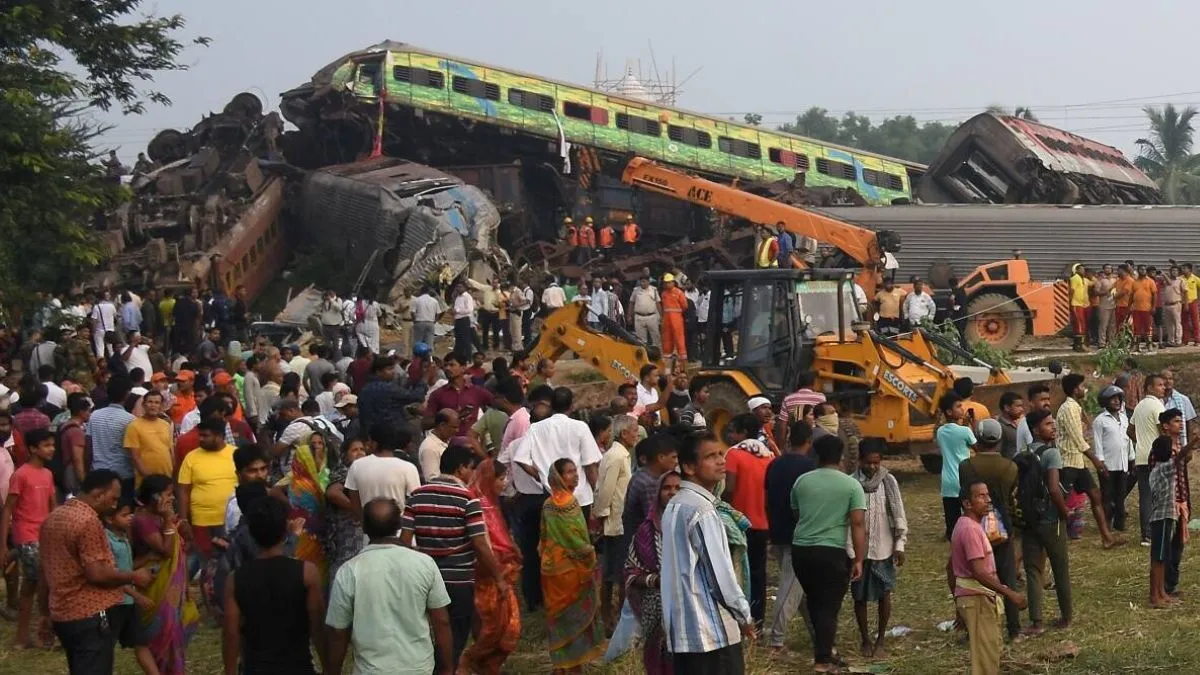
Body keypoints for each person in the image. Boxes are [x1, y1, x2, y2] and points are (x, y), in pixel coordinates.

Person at [40, 469, 153, 674]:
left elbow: (45, 570)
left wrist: (45, 612)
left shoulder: (54, 517)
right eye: (113, 498)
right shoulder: (88, 521)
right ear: (98, 494)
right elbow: (97, 574)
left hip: (62, 614)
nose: (114, 505)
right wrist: (134, 576)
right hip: (88, 614)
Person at [402, 445, 505, 669]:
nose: (472, 474)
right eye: (470, 469)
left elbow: (405, 539)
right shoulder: (468, 499)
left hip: (424, 577)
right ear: (460, 469)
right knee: (455, 635)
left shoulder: (417, 496)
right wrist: (499, 577)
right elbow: (479, 542)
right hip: (458, 579)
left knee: (425, 633)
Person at [661, 431, 754, 673]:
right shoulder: (701, 510)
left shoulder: (676, 503)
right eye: (711, 456)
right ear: (689, 467)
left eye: (721, 454)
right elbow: (719, 575)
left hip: (684, 628)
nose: (721, 460)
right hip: (710, 631)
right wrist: (743, 614)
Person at [328, 497, 453, 673]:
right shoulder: (424, 564)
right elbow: (441, 621)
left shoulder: (349, 571)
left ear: (364, 527)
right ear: (398, 525)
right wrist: (447, 668)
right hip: (418, 669)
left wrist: (331, 671)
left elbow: (338, 633)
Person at [222, 496, 326, 675]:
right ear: (286, 528)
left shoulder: (235, 579)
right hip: (299, 667)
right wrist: (330, 667)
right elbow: (318, 629)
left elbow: (231, 635)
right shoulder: (307, 573)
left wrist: (230, 671)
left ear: (252, 533)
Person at [789, 435, 866, 672]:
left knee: (814, 601)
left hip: (801, 550)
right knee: (829, 607)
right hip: (831, 551)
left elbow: (796, 514)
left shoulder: (802, 482)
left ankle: (825, 650)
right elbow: (857, 524)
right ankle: (822, 660)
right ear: (841, 457)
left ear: (816, 455)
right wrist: (859, 559)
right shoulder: (851, 485)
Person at [949, 481, 1028, 675]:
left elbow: (949, 567)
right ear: (967, 503)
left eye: (987, 494)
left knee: (990, 652)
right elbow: (978, 572)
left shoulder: (965, 525)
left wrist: (958, 601)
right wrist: (1011, 594)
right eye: (981, 496)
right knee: (986, 661)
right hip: (977, 599)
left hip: (972, 597)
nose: (988, 499)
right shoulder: (971, 530)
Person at [539, 458, 607, 673]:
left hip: (551, 570)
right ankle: (573, 666)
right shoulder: (569, 503)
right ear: (558, 477)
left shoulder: (548, 504)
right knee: (574, 618)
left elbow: (543, 537)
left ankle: (561, 666)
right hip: (571, 571)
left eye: (575, 471)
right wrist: (589, 553)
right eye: (569, 472)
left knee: (558, 618)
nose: (575, 475)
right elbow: (577, 541)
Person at [958, 418, 1022, 641]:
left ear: (978, 438)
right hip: (1002, 526)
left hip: (974, 525)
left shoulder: (966, 466)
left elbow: (964, 492)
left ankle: (973, 629)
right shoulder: (1010, 467)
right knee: (1007, 575)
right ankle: (1014, 630)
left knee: (976, 576)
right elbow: (1012, 496)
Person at [130, 474, 199, 674]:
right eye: (168, 495)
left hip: (172, 587)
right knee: (160, 632)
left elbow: (181, 549)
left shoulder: (159, 517)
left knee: (174, 630)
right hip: (154, 585)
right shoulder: (143, 521)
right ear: (155, 497)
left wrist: (185, 586)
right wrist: (169, 520)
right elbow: (167, 550)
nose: (172, 499)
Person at [459, 459, 522, 674]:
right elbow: (484, 543)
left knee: (507, 626)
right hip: (488, 575)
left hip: (500, 572)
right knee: (494, 627)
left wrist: (511, 548)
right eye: (501, 478)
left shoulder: (491, 502)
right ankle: (470, 661)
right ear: (489, 479)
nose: (504, 483)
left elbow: (501, 535)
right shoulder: (478, 504)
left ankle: (486, 665)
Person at [1017, 408, 1072, 633]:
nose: (1053, 427)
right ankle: (1066, 617)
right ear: (1036, 429)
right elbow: (1053, 488)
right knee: (1060, 568)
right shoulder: (1051, 454)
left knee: (1033, 569)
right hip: (1050, 519)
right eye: (1048, 424)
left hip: (1029, 519)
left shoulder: (1022, 453)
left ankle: (1036, 621)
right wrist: (1064, 512)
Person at [850, 440, 907, 658]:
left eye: (876, 462)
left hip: (884, 548)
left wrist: (900, 545)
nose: (873, 467)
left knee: (885, 594)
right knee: (859, 597)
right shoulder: (851, 483)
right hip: (859, 551)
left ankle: (881, 640)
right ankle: (865, 639)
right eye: (868, 463)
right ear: (860, 461)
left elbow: (899, 514)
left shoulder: (888, 482)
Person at [0, 427, 56, 648]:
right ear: (33, 448)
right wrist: (3, 544)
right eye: (46, 445)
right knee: (42, 583)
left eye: (52, 444)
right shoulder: (21, 474)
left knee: (31, 586)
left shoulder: (48, 474)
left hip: (44, 535)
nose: (51, 449)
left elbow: (53, 507)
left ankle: (23, 637)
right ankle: (42, 633)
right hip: (27, 535)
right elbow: (8, 510)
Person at [765, 420, 816, 651]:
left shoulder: (775, 464)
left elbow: (767, 500)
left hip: (778, 530)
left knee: (801, 588)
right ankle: (776, 641)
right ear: (809, 441)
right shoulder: (809, 467)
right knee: (789, 588)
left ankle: (818, 634)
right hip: (799, 535)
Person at [625, 470, 682, 675]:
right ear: (658, 492)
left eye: (678, 488)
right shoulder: (646, 530)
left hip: (687, 605)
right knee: (657, 659)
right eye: (667, 488)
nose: (672, 492)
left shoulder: (693, 525)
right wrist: (656, 580)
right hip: (655, 605)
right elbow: (632, 570)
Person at [1055, 373, 1119, 547]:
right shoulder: (1068, 408)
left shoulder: (1075, 407)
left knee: (1095, 495)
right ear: (1075, 389)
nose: (1085, 389)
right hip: (1068, 460)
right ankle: (1052, 537)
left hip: (1077, 462)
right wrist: (1097, 461)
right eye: (1082, 387)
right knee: (1057, 502)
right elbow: (1078, 440)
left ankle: (1107, 538)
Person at [722, 413, 773, 630]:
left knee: (736, 573)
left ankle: (738, 621)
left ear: (742, 433)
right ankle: (758, 621)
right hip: (762, 523)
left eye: (733, 430)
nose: (730, 435)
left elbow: (730, 488)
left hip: (738, 523)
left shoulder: (733, 454)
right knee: (758, 573)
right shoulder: (768, 455)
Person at [513, 387, 602, 509]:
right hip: (580, 498)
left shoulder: (536, 428)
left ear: (551, 405)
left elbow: (520, 458)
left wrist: (540, 476)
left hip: (551, 496)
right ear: (571, 406)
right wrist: (597, 495)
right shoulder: (580, 427)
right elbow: (590, 466)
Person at [102, 499, 159, 675]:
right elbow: (111, 575)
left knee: (141, 643)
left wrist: (146, 565)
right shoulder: (105, 540)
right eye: (124, 515)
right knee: (106, 648)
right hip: (114, 602)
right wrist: (137, 596)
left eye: (130, 514)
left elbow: (127, 567)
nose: (130, 518)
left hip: (128, 601)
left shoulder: (124, 537)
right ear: (110, 519)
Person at [176, 419, 237, 565]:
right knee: (206, 563)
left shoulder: (236, 454)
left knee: (229, 561)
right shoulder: (191, 457)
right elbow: (183, 491)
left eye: (205, 436)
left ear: (219, 436)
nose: (200, 439)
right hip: (202, 520)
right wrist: (184, 520)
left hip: (230, 521)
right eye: (200, 435)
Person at [593, 415, 632, 630]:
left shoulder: (620, 454)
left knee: (614, 571)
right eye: (634, 431)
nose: (637, 435)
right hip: (615, 522)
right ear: (624, 434)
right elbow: (606, 490)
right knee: (613, 573)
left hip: (618, 520)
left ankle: (612, 616)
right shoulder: (616, 456)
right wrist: (602, 516)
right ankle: (609, 617)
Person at [345, 422, 422, 516]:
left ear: (375, 443)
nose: (368, 444)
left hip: (369, 528)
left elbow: (355, 501)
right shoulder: (408, 468)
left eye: (369, 441)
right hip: (399, 527)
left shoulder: (356, 466)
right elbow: (416, 502)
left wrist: (364, 522)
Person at [1130, 373, 1168, 544]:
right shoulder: (1157, 406)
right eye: (1160, 385)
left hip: (1141, 456)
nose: (1164, 388)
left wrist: (1141, 441)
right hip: (1155, 456)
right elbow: (1164, 430)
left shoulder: (1139, 406)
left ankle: (1146, 535)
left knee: (1145, 495)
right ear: (1150, 387)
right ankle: (1156, 531)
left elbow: (1129, 431)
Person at [89, 375, 137, 502]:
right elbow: (133, 452)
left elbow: (88, 448)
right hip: (123, 475)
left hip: (98, 472)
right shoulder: (130, 420)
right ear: (127, 394)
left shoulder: (94, 415)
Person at [1093, 385, 1133, 533]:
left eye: (1118, 399)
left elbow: (1127, 440)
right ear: (1105, 401)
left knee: (1121, 495)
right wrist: (1100, 461)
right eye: (1112, 399)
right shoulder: (1100, 420)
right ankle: (1106, 523)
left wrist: (1131, 457)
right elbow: (1097, 442)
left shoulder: (1123, 418)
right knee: (1107, 496)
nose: (1116, 402)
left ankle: (1120, 523)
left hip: (1122, 463)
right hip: (1108, 465)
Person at [425, 352, 494, 436]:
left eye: (452, 365)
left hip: (470, 444)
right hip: (446, 445)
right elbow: (425, 423)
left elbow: (499, 405)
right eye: (445, 365)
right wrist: (447, 418)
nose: (447, 368)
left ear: (463, 368)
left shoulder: (477, 392)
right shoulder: (437, 394)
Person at [936, 393, 976, 540]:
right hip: (964, 477)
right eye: (958, 406)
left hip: (947, 479)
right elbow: (977, 446)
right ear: (949, 411)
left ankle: (951, 534)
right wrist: (973, 424)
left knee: (951, 514)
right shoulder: (965, 431)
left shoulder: (940, 432)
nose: (962, 408)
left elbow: (953, 438)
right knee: (969, 510)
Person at [124, 390, 173, 487]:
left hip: (166, 478)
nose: (153, 405)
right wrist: (150, 480)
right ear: (143, 404)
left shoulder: (166, 425)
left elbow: (170, 451)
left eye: (157, 402)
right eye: (150, 402)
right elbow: (135, 457)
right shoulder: (134, 426)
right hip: (146, 482)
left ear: (161, 406)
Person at [660, 273, 688, 369]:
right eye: (666, 283)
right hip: (667, 318)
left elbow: (684, 306)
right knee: (667, 338)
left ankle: (682, 361)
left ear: (673, 282)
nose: (667, 284)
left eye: (669, 282)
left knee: (679, 338)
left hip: (676, 318)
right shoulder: (664, 293)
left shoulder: (679, 292)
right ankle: (667, 360)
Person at [629, 276, 661, 348]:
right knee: (641, 340)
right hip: (639, 317)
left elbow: (658, 303)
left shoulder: (654, 290)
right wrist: (629, 316)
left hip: (652, 317)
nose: (642, 283)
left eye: (644, 281)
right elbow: (631, 303)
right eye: (641, 281)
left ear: (648, 282)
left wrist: (661, 316)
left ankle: (658, 355)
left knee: (656, 338)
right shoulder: (636, 290)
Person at [994, 391, 1024, 460]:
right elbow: (997, 452)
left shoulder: (1019, 424)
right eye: (1018, 406)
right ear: (1007, 408)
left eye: (1022, 406)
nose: (1021, 409)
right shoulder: (1000, 427)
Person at [413, 286, 441, 351]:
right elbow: (438, 313)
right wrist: (434, 321)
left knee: (418, 342)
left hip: (419, 323)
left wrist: (415, 321)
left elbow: (412, 312)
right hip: (430, 323)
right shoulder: (434, 301)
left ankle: (418, 358)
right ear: (428, 292)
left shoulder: (417, 300)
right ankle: (429, 358)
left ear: (421, 291)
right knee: (429, 342)